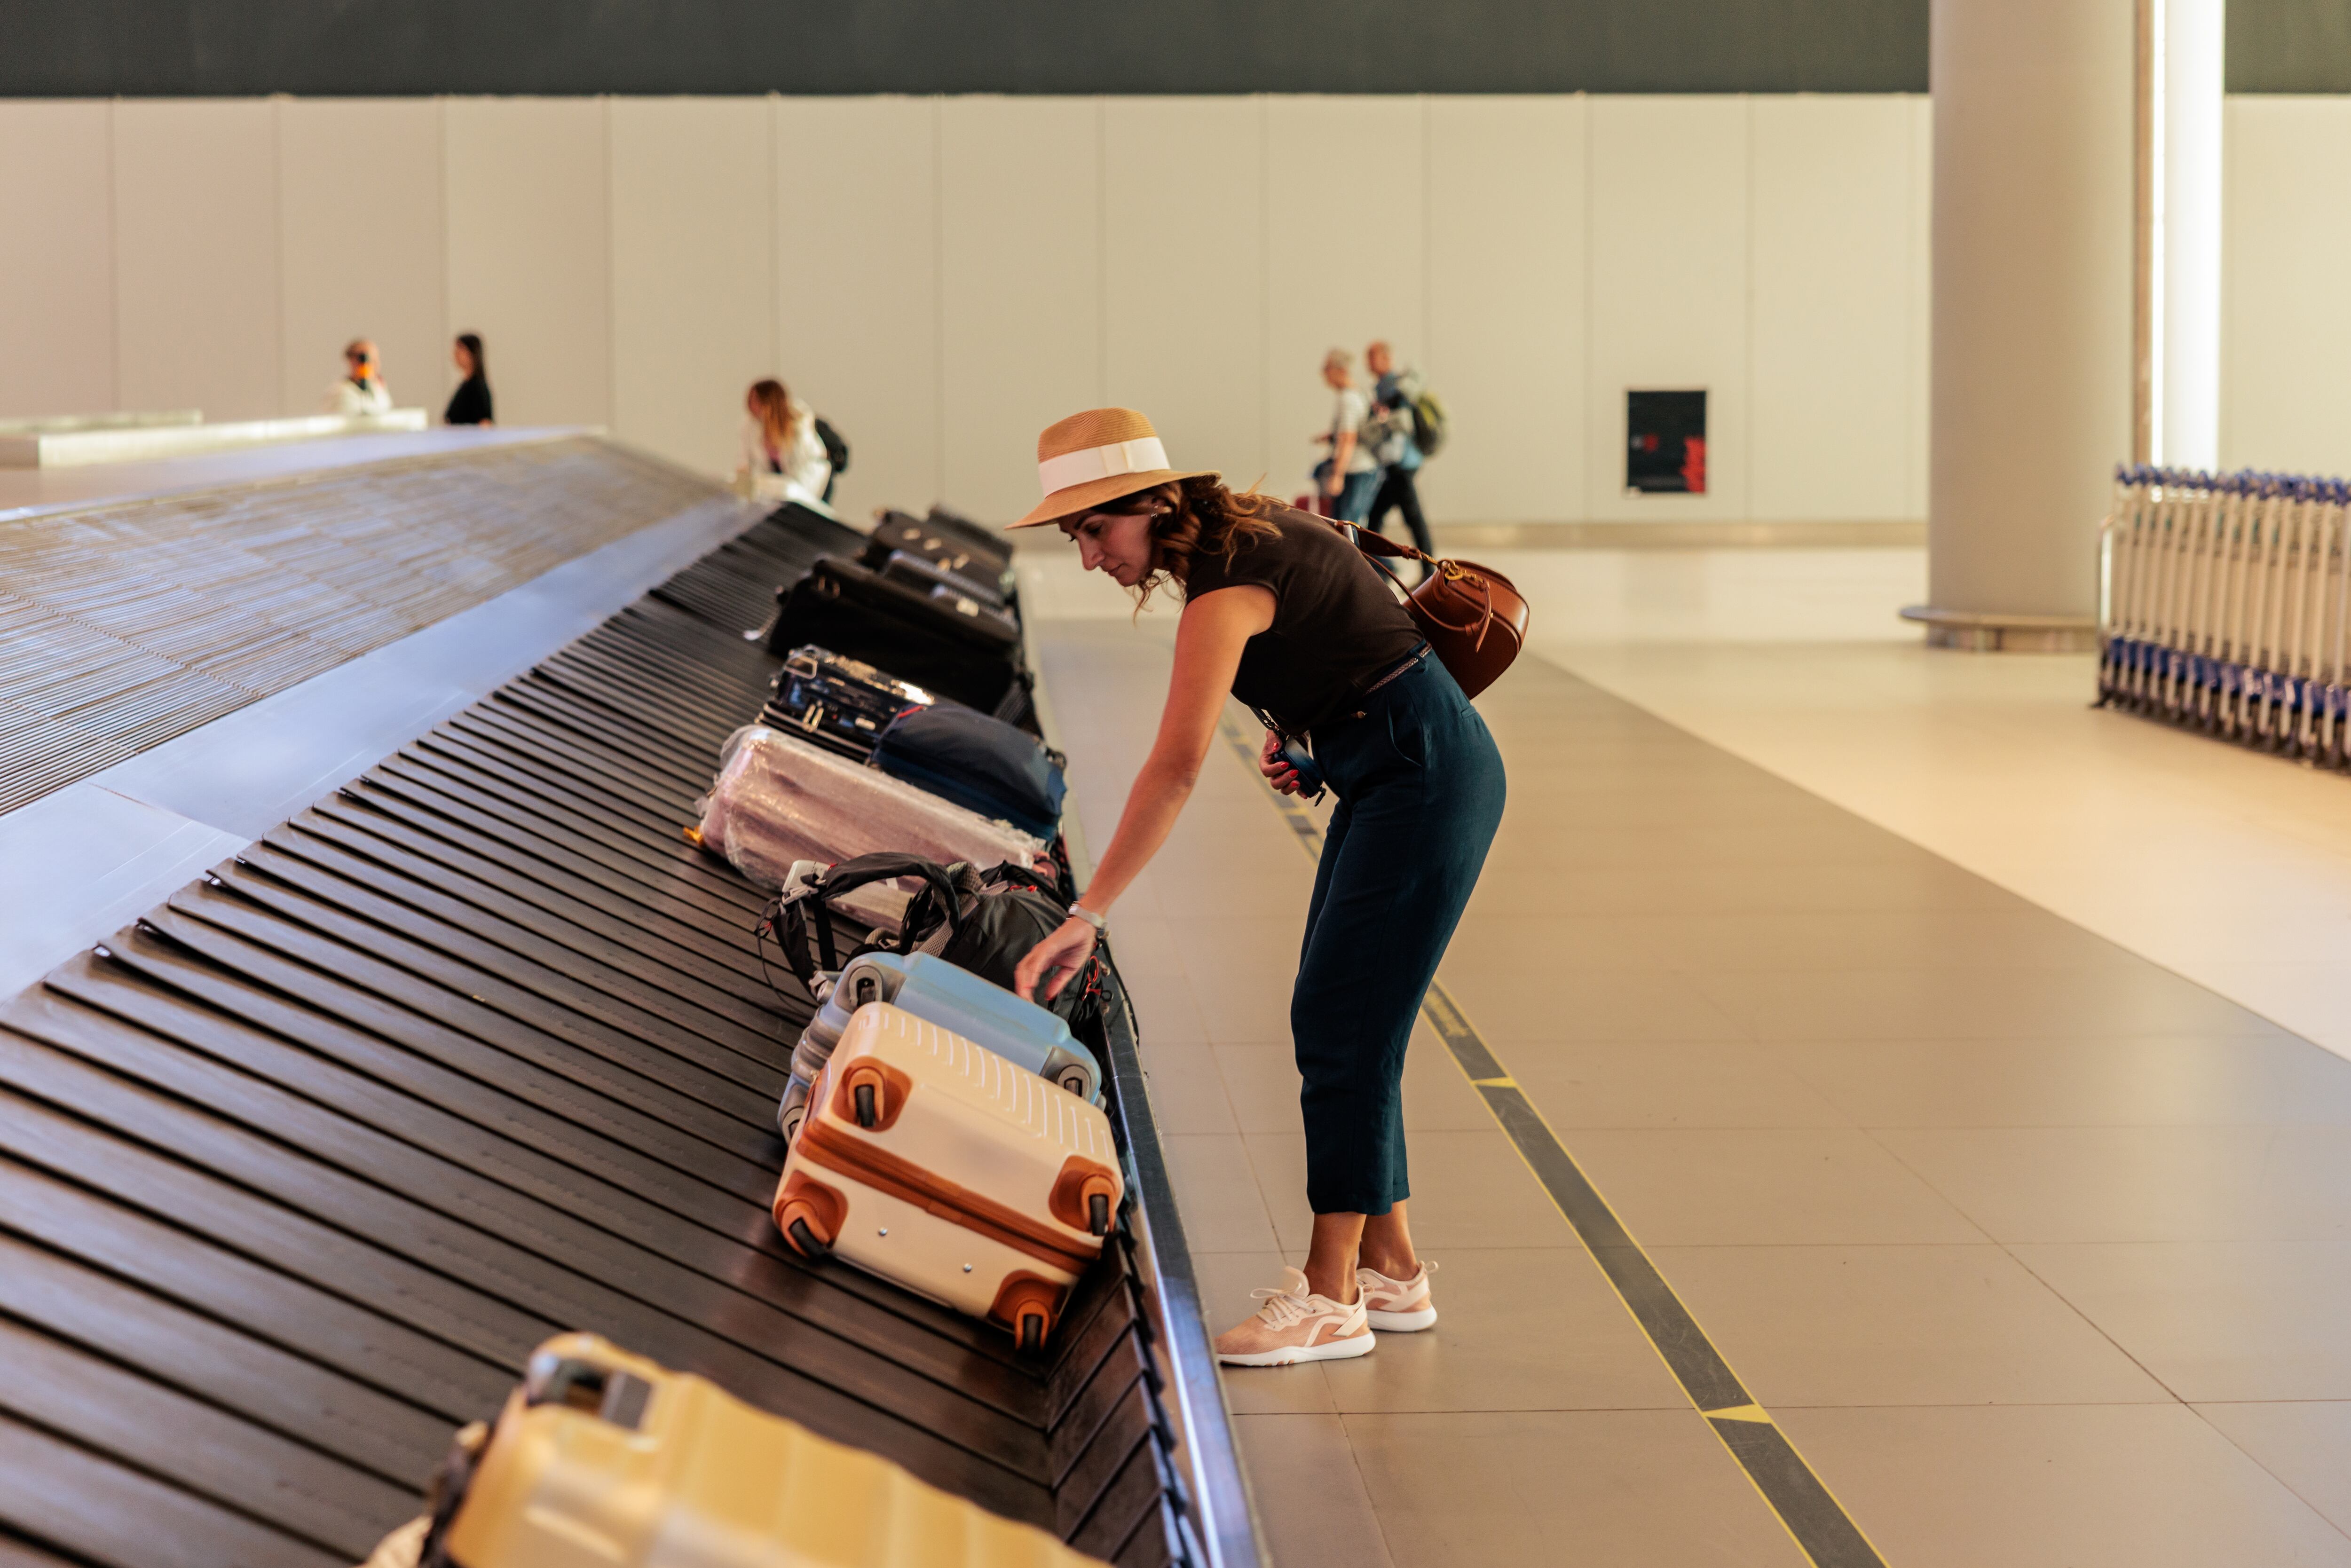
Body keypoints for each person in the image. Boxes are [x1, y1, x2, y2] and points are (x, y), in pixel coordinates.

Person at [1009, 408, 1508, 1368]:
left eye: (1093, 530)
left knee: (1337, 1021)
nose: (1086, 556)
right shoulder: (1251, 536)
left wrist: (1088, 909)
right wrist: (1313, 744)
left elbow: (1175, 766)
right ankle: (1391, 1269)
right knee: (1351, 1020)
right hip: (1399, 766)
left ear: (1152, 504)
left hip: (1422, 777)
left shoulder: (1224, 584)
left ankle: (1331, 1296)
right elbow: (1356, 650)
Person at [1364, 340, 1434, 568]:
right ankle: (1384, 568)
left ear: (1385, 358)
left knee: (1412, 519)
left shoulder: (1393, 386)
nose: (1368, 363)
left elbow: (1402, 423)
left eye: (1372, 357)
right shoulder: (1384, 386)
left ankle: (1426, 569)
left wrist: (1380, 420)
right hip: (1398, 465)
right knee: (1378, 518)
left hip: (1401, 464)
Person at [737, 378, 832, 502]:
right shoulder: (751, 426)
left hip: (810, 481)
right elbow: (745, 462)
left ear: (769, 402)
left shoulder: (799, 426)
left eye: (756, 400)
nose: (750, 406)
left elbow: (805, 469)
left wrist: (794, 495)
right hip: (780, 489)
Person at [1314, 350, 1381, 524]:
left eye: (1327, 369)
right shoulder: (1359, 393)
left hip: (1355, 471)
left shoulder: (1347, 399)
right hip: (1364, 469)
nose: (1324, 374)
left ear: (1340, 370)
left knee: (1347, 529)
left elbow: (1348, 438)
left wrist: (1337, 475)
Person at [325, 339, 392, 416]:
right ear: (352, 361)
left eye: (376, 359)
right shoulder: (341, 393)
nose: (375, 364)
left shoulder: (378, 388)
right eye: (368, 359)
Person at [444, 333, 494, 426]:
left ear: (472, 353)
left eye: (460, 349)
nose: (455, 354)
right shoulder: (465, 385)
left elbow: (485, 423)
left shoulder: (477, 387)